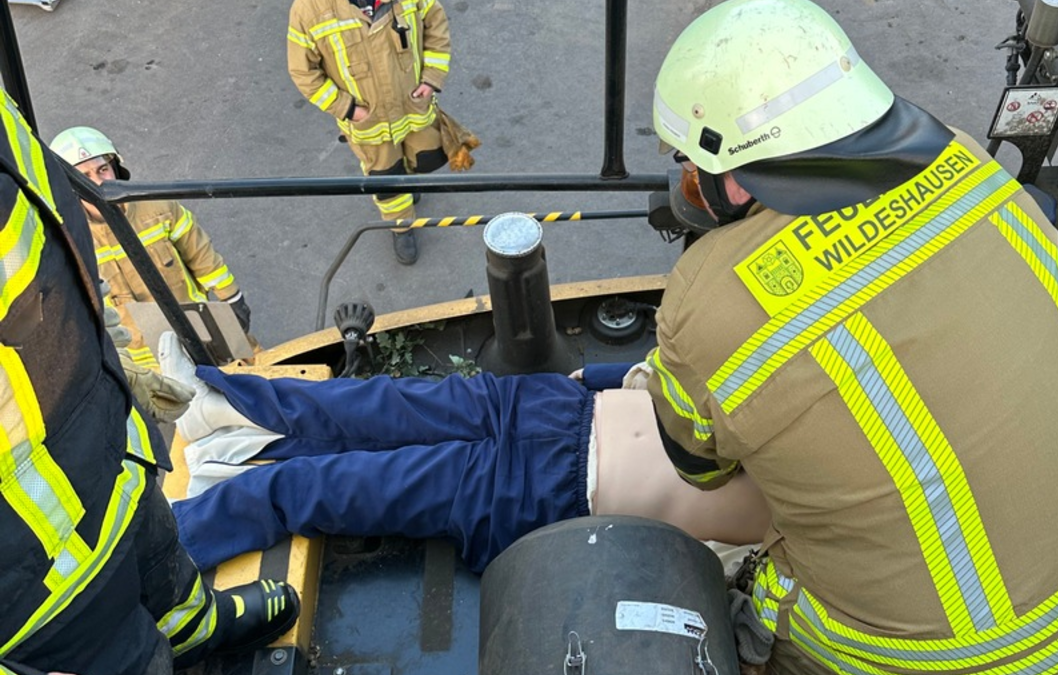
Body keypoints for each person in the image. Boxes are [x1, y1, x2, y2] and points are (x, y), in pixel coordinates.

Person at [645, 2, 1058, 674]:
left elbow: (700, 469)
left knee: (760, 609)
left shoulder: (706, 299)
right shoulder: (962, 158)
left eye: (690, 163)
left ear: (732, 178)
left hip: (962, 658)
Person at [0, 91, 298, 675]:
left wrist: (115, 366)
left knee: (164, 568)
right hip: (39, 579)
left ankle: (195, 627)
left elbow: (51, 260)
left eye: (103, 169)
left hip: (107, 451)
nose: (98, 181)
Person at [156, 333, 770, 574]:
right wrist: (611, 377)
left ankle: (164, 545)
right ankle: (221, 410)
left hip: (550, 494)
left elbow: (701, 569)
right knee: (379, 405)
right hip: (560, 409)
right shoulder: (814, 416)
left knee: (351, 486)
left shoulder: (808, 544)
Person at [49, 126, 257, 370]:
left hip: (201, 334)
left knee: (260, 374)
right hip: (141, 364)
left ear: (116, 168)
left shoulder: (158, 208)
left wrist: (232, 299)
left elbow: (202, 257)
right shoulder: (70, 239)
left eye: (102, 169)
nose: (97, 183)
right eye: (84, 176)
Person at [287, 0, 453, 265]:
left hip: (413, 107)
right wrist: (348, 109)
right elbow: (303, 73)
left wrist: (431, 77)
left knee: (423, 157)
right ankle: (401, 227)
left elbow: (436, 25)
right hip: (369, 126)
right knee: (386, 178)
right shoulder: (308, 9)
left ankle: (410, 185)